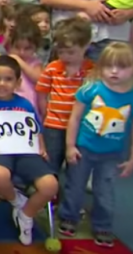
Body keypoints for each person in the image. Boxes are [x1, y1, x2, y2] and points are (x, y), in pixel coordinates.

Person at [59, 42, 133, 247]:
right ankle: (69, 216)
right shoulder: (91, 89)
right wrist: (70, 146)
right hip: (83, 148)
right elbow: (75, 118)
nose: (114, 71)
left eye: (122, 67)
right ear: (100, 68)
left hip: (111, 155)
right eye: (109, 66)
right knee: (75, 185)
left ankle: (103, 225)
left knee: (105, 190)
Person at [0, 55, 58, 245]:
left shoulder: (25, 104)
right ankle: (17, 201)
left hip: (25, 152)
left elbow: (36, 131)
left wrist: (41, 149)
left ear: (18, 82)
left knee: (50, 185)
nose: (2, 84)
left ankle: (26, 214)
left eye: (8, 79)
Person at [36, 17, 93, 175]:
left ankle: (71, 194)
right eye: (61, 52)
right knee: (50, 161)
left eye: (71, 52)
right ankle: (49, 192)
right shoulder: (52, 68)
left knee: (76, 165)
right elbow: (42, 93)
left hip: (81, 126)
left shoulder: (92, 71)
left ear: (86, 46)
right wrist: (45, 113)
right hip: (54, 124)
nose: (65, 56)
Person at [7, 21, 43, 116]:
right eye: (17, 47)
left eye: (27, 48)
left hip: (30, 108)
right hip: (9, 107)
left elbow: (39, 79)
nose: (21, 52)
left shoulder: (35, 63)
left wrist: (20, 62)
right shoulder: (6, 61)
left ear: (36, 48)